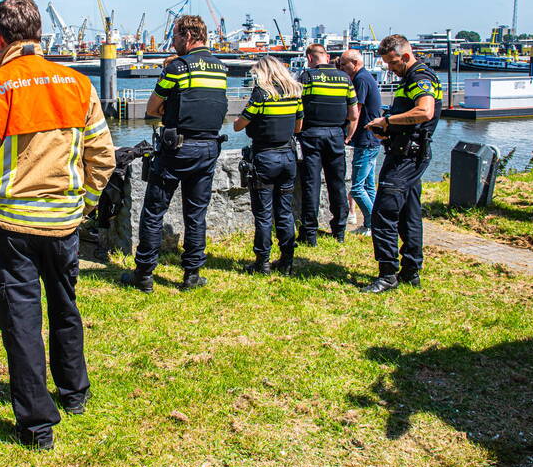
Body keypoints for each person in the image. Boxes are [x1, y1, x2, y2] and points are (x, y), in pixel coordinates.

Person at [0, 0, 115, 450]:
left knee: (21, 321)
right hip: (64, 221)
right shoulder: (78, 84)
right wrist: (84, 203)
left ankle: (36, 424)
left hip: (12, 226)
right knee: (66, 306)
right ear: (40, 32)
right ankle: (75, 392)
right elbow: (101, 158)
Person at [120, 15, 229, 292]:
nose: (174, 42)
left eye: (177, 37)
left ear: (189, 36)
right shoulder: (220, 69)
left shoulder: (178, 68)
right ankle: (191, 275)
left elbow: (152, 108)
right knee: (196, 214)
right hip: (209, 148)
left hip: (176, 148)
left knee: (155, 210)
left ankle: (144, 274)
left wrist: (168, 111)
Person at [362, 35, 442, 294]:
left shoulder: (420, 77)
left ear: (405, 56)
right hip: (406, 151)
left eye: (393, 63)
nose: (389, 69)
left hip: (407, 157)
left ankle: (387, 274)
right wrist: (389, 129)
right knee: (410, 213)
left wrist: (388, 122)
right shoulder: (409, 78)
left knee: (383, 213)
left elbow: (425, 112)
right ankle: (410, 270)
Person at [232, 56, 302, 274]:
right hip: (288, 156)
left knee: (263, 214)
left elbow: (238, 125)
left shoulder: (261, 93)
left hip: (264, 156)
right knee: (284, 211)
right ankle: (287, 261)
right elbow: (298, 127)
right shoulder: (294, 93)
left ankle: (262, 262)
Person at [294, 43, 358, 245]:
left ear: (310, 58)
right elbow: (353, 114)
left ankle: (309, 233)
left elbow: (297, 108)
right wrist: (347, 136)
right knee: (337, 184)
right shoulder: (345, 78)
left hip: (312, 135)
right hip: (336, 135)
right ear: (327, 57)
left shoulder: (307, 77)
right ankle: (339, 230)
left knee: (311, 184)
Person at [338, 49, 383, 235]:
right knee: (369, 185)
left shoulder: (360, 80)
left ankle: (373, 224)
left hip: (365, 139)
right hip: (373, 139)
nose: (341, 68)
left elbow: (355, 112)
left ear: (354, 63)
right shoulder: (366, 77)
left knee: (357, 188)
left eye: (343, 64)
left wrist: (347, 136)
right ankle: (373, 224)